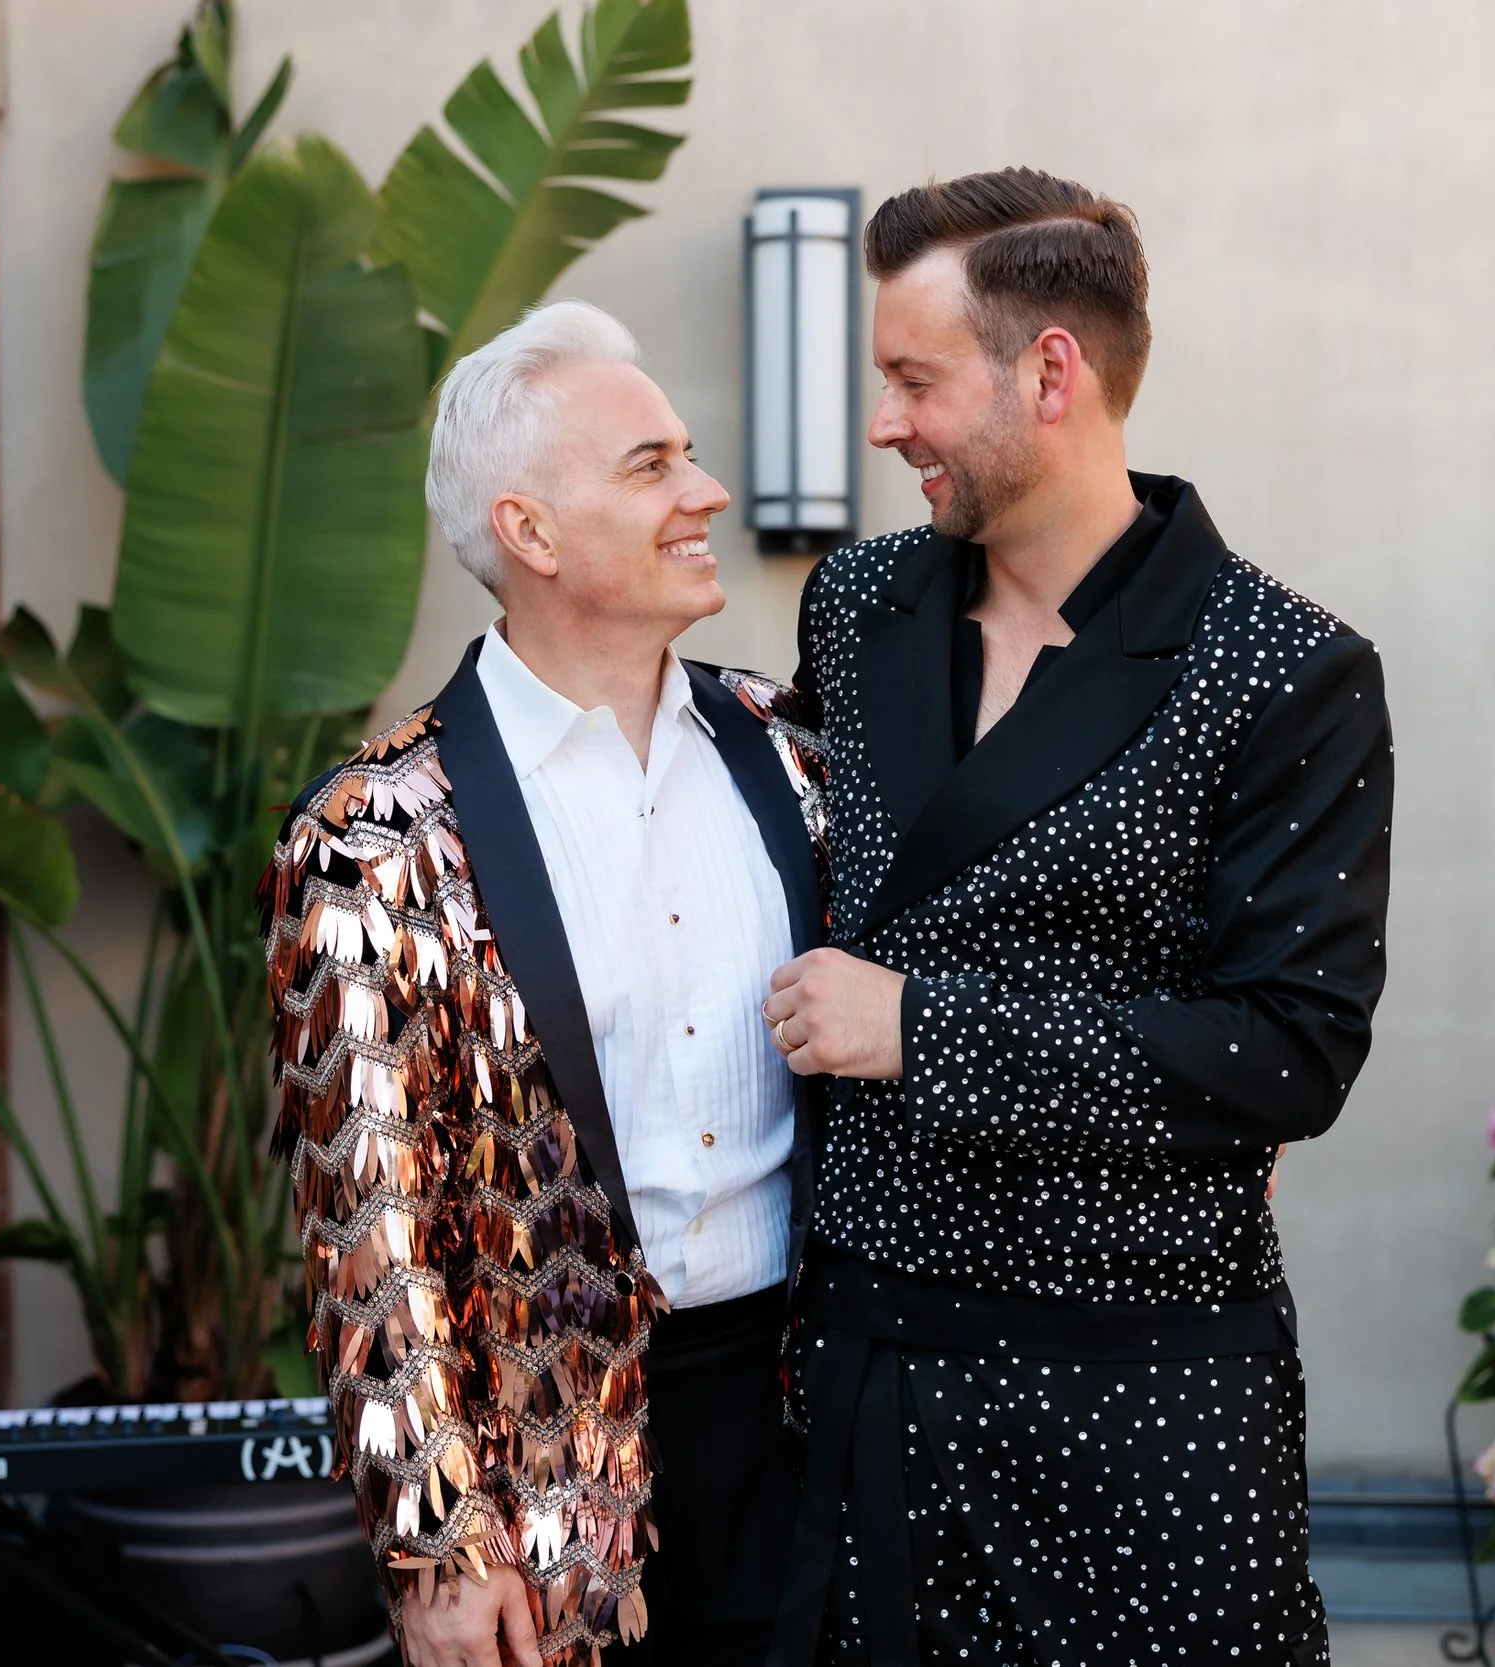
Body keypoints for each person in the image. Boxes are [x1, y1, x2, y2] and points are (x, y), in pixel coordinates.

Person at [760, 168, 1393, 1666]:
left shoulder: (1284, 669)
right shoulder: (855, 607)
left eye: (914, 380)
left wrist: (923, 1030)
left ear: (1051, 374)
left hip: (1143, 1398)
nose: (882, 424)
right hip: (865, 1368)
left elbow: (1289, 1051)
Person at [262, 301, 823, 1667]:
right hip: (547, 1491)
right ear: (531, 531)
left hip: (815, 1440)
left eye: (688, 455)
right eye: (651, 465)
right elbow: (369, 1219)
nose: (705, 493)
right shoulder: (372, 833)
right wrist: (439, 1543)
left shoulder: (798, 754)